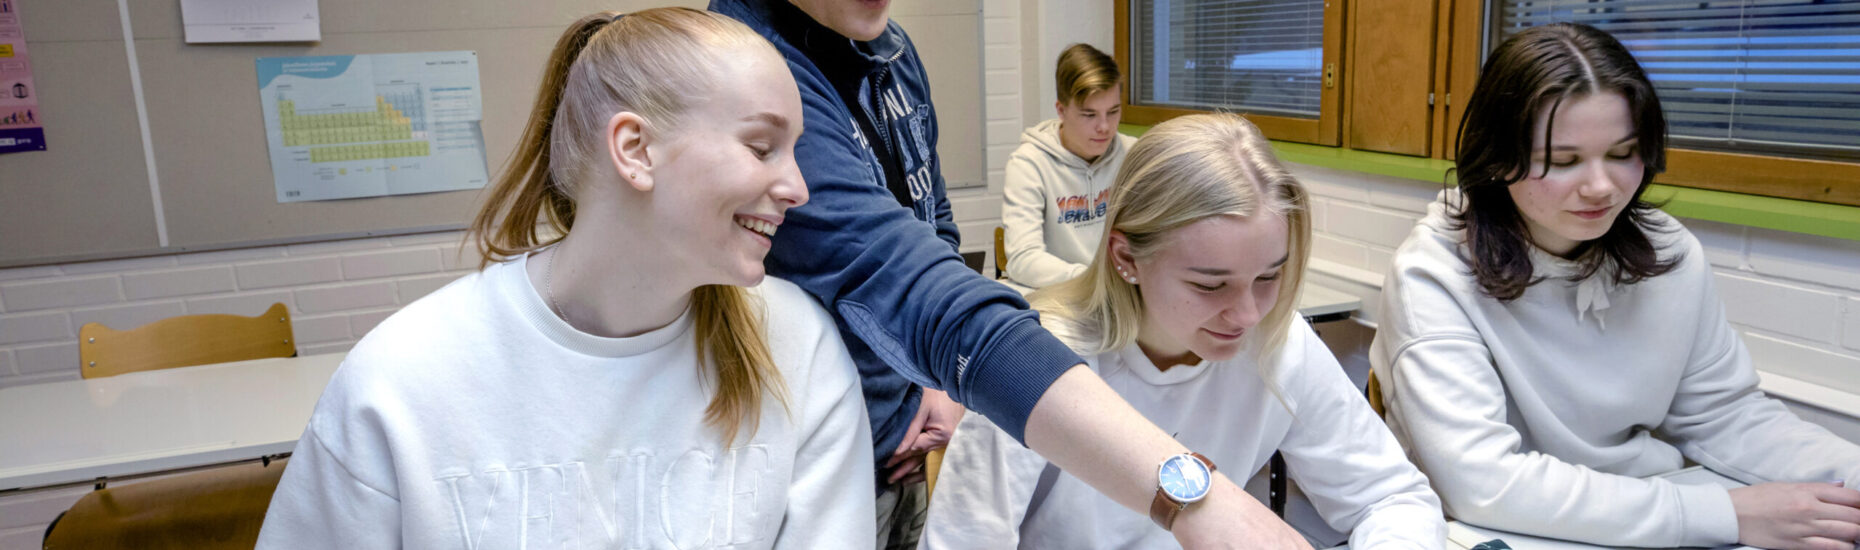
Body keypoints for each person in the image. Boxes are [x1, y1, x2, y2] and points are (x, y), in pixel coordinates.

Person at [256, 9, 875, 548]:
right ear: (635, 150)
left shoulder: (799, 350)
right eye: (763, 147)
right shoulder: (400, 383)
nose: (798, 189)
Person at [707, 0, 1312, 547]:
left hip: (908, 428)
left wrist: (935, 382)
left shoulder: (889, 50)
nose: (1247, 310)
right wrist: (1187, 496)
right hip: (825, 447)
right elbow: (891, 271)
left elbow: (930, 220)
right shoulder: (752, 68)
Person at [1370, 22, 1860, 550]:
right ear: (1498, 159)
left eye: (1624, 153)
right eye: (1564, 161)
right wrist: (1724, 514)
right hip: (1495, 532)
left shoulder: (1667, 250)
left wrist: (1850, 474)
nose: (1602, 187)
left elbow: (1726, 415)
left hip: (1644, 511)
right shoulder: (1433, 275)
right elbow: (1485, 483)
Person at [923, 113, 1445, 549]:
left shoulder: (1278, 343)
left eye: (1269, 276)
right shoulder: (1035, 362)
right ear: (1127, 257)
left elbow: (1394, 497)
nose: (1245, 315)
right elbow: (962, 539)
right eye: (1210, 285)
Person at [1001, 43, 1137, 289]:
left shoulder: (1134, 155)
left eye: (1113, 111)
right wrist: (1094, 282)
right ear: (1061, 110)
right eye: (1089, 115)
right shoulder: (1029, 164)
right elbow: (1023, 259)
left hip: (1122, 295)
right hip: (1062, 295)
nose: (1104, 127)